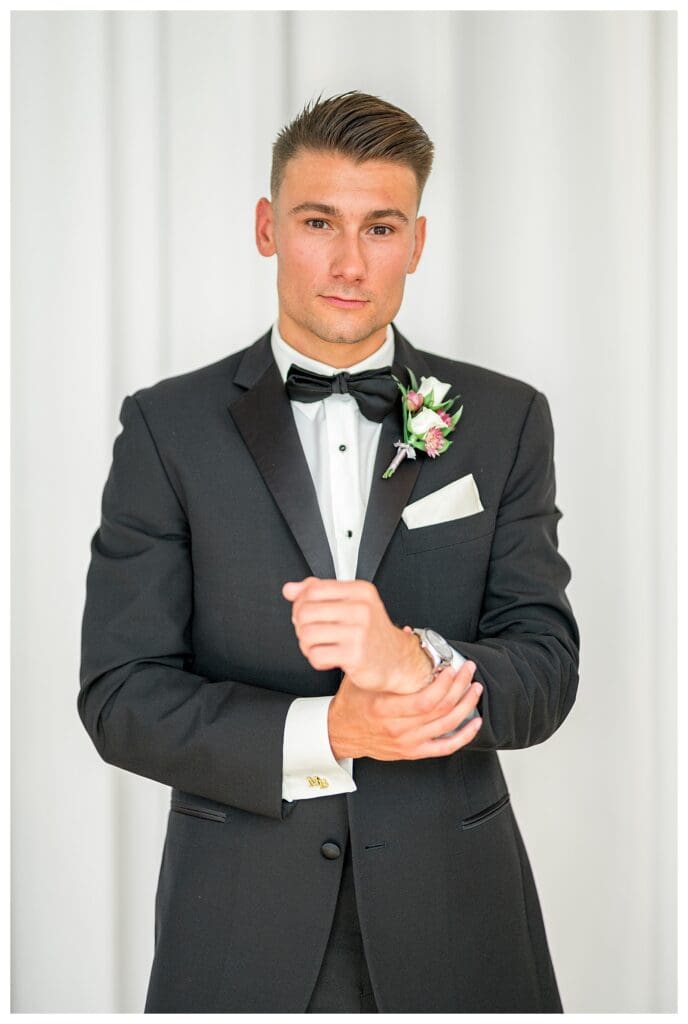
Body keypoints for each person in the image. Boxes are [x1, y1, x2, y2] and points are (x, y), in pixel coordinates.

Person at [79, 90, 579, 1013]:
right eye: (319, 222)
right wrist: (329, 734)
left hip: (459, 919)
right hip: (238, 924)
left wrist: (416, 658)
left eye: (380, 228)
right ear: (267, 227)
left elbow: (546, 672)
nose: (351, 262)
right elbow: (119, 697)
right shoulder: (165, 428)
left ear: (417, 243)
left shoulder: (506, 419)